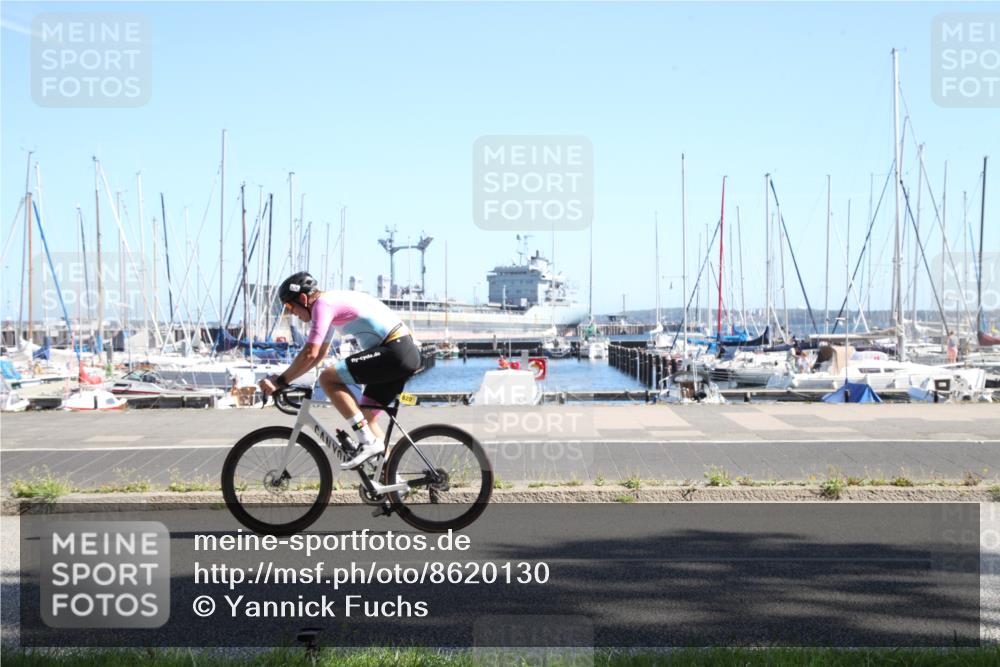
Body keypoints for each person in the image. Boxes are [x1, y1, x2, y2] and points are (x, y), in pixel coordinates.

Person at [258, 272, 421, 469]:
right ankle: (391, 480)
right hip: (400, 353)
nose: (292, 313)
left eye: (290, 306)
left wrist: (279, 381)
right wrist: (286, 379)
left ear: (303, 298)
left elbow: (311, 353)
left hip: (395, 351)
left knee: (328, 379)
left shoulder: (322, 305)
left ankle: (368, 443)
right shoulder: (330, 305)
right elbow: (318, 355)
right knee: (367, 418)